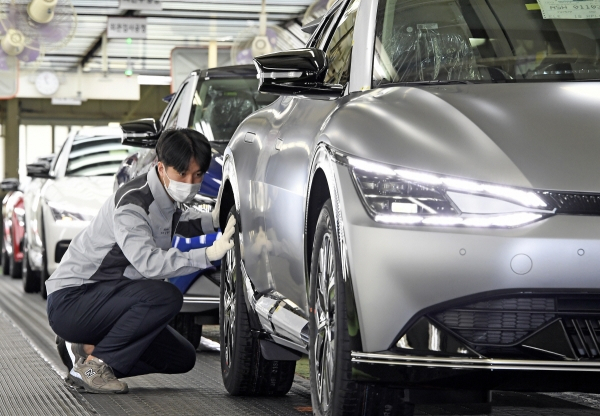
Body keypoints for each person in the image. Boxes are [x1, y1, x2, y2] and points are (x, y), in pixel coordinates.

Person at [45, 128, 234, 394]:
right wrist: (207, 255)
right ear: (161, 167)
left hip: (106, 299)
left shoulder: (165, 196)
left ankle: (85, 356)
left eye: (198, 174)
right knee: (164, 296)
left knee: (181, 357)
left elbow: (180, 221)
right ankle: (95, 367)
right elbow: (149, 264)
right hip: (73, 301)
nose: (191, 182)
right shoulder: (132, 204)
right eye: (183, 174)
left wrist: (215, 220)